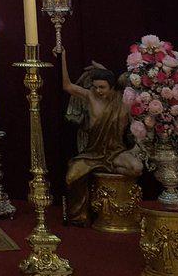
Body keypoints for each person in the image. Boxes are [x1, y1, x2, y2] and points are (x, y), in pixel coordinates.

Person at [61, 60, 142, 226]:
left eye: (102, 87)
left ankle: (108, 167)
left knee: (136, 167)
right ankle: (79, 217)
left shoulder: (122, 100)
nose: (98, 91)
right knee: (71, 177)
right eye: (95, 86)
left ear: (112, 87)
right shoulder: (90, 96)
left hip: (115, 153)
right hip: (92, 154)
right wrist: (63, 56)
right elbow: (67, 86)